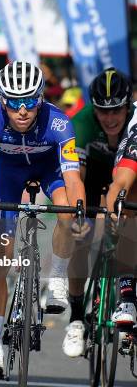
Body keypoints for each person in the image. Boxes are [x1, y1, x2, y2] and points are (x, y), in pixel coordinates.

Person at [0, 61, 87, 379]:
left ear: (41, 98)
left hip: (48, 169)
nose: (22, 110)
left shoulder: (59, 123)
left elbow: (72, 177)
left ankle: (56, 276)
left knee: (67, 210)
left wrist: (78, 208)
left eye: (29, 101)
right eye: (14, 102)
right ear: (2, 101)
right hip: (7, 174)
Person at [62, 68, 133, 358]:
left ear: (128, 106)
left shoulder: (134, 124)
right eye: (103, 111)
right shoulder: (81, 123)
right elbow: (75, 176)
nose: (110, 118)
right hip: (90, 182)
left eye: (117, 110)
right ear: (94, 108)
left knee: (126, 231)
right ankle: (77, 317)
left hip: (126, 181)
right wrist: (81, 215)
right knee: (81, 240)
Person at [106, 105, 137, 328]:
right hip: (130, 163)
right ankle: (127, 299)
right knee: (127, 207)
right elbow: (120, 184)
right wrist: (115, 214)